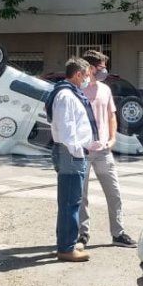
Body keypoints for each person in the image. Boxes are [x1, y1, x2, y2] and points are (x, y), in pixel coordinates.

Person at [77, 51, 136, 249]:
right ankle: (82, 235)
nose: (104, 71)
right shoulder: (76, 90)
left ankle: (118, 233)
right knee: (80, 196)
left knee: (114, 193)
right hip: (81, 151)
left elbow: (112, 115)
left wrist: (112, 139)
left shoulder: (105, 89)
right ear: (91, 68)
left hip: (103, 150)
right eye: (101, 67)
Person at [46, 57, 99, 262]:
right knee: (70, 202)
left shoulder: (67, 93)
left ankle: (64, 244)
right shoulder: (67, 96)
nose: (87, 79)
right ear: (78, 74)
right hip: (70, 154)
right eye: (86, 75)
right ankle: (67, 248)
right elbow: (68, 130)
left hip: (71, 152)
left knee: (69, 201)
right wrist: (79, 151)